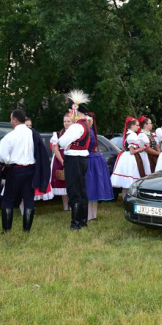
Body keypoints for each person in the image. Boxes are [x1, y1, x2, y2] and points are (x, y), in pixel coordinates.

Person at [0, 109, 50, 233]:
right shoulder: (33, 134)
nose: (10, 122)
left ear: (15, 120)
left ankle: (7, 230)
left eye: (11, 119)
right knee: (28, 199)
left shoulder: (10, 136)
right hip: (31, 170)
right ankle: (26, 230)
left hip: (15, 170)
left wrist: (7, 161)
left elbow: (1, 156)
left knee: (8, 199)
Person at [57, 92, 92, 230]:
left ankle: (76, 223)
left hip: (74, 159)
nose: (70, 114)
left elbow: (61, 142)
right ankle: (83, 220)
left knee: (74, 190)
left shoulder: (77, 126)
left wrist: (65, 143)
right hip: (82, 158)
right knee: (81, 189)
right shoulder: (85, 125)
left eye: (71, 111)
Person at [85, 111, 114, 221]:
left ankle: (90, 215)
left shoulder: (88, 133)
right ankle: (93, 215)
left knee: (90, 186)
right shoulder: (92, 132)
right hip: (95, 159)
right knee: (94, 187)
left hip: (90, 160)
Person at [111, 117, 147, 189]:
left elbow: (125, 148)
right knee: (130, 180)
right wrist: (141, 149)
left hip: (125, 157)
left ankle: (125, 199)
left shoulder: (128, 133)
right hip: (130, 158)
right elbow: (132, 151)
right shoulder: (132, 135)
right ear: (132, 125)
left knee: (125, 183)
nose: (138, 127)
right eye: (137, 125)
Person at [50, 114, 72, 211]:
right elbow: (56, 149)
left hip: (72, 156)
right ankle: (65, 207)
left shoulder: (76, 133)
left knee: (72, 183)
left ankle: (72, 205)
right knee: (63, 183)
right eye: (65, 121)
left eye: (68, 121)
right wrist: (62, 161)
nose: (66, 123)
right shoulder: (58, 134)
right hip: (60, 158)